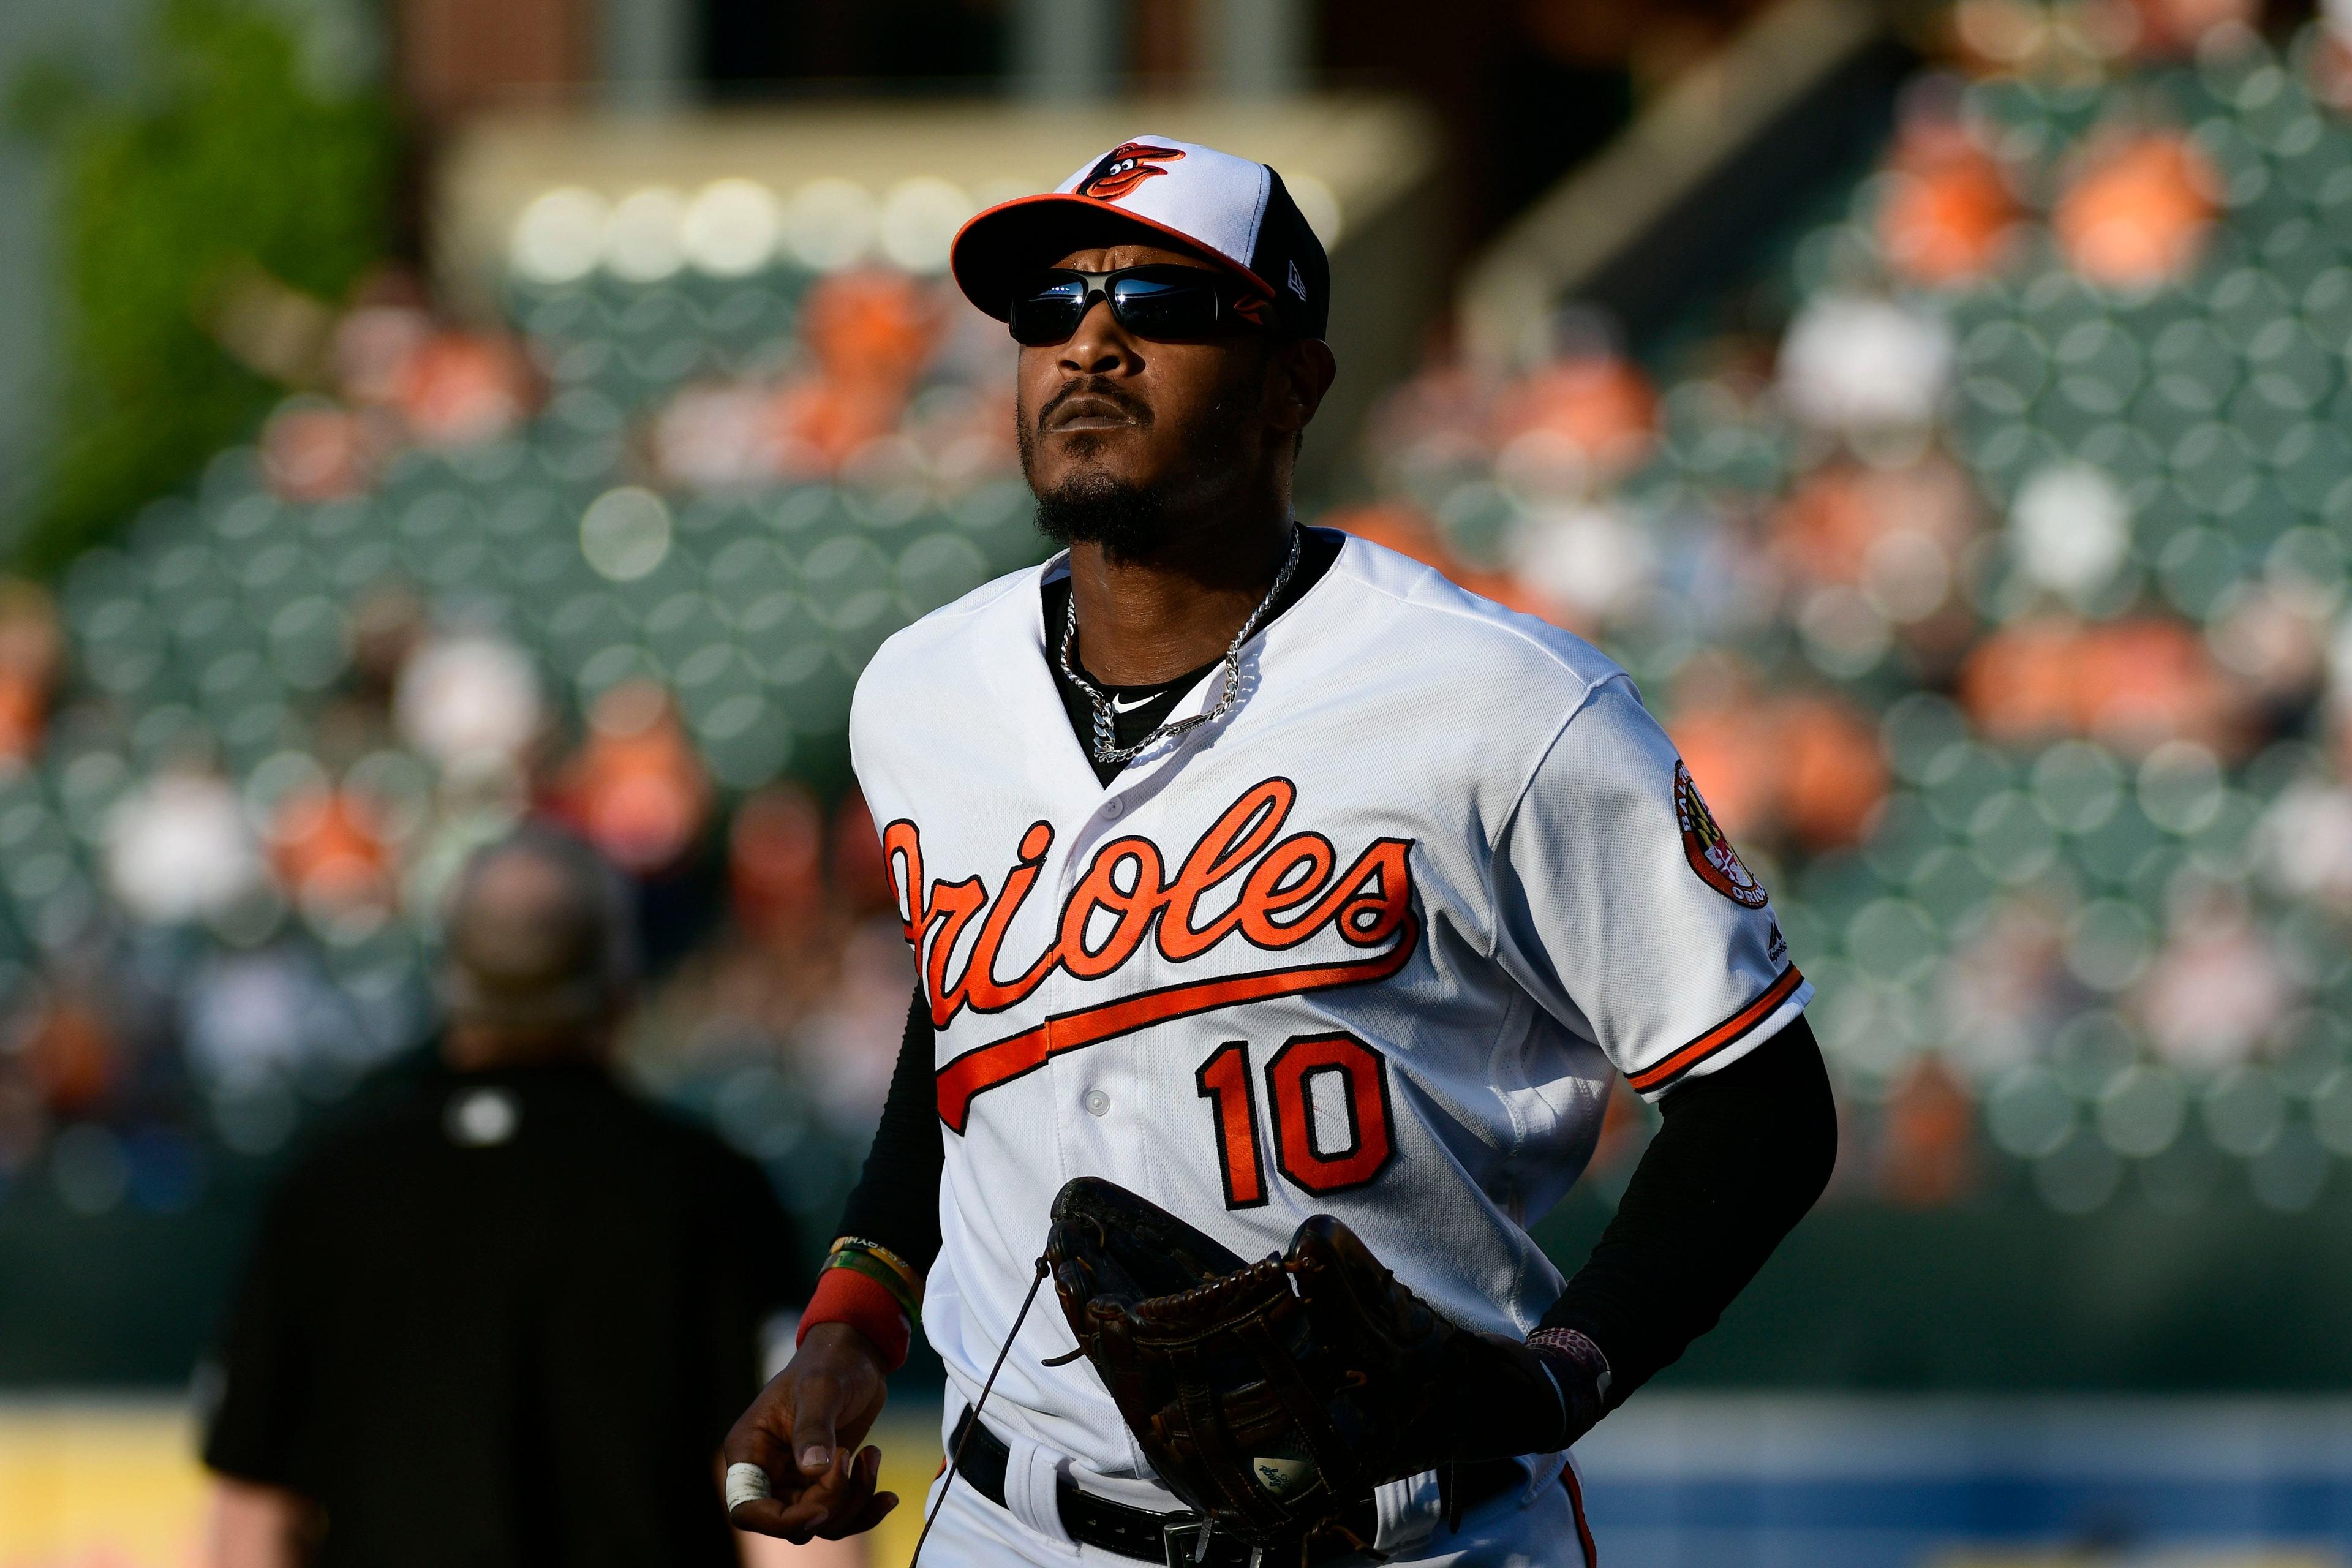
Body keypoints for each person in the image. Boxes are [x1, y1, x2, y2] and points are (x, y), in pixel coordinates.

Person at [723, 135, 1839, 1566]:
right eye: (1051, 310)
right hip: (1013, 1525)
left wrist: (1557, 1371)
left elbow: (1762, 1102)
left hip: (1403, 1532)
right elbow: (971, 1009)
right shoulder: (920, 691)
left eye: (1165, 303)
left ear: (1293, 383)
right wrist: (850, 1321)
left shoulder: (1498, 698)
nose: (1094, 343)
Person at [199, 823, 827, 1568]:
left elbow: (251, 1518)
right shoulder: (709, 1187)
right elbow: (788, 1515)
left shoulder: (330, 1187)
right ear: (620, 982)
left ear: (450, 977)